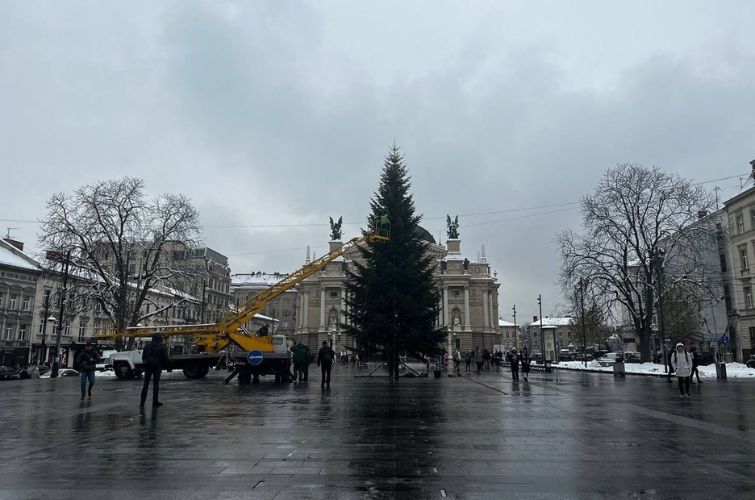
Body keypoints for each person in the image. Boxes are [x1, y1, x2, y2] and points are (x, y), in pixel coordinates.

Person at [140, 332, 168, 409]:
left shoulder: (147, 345)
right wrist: (164, 365)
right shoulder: (162, 346)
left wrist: (146, 363)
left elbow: (143, 357)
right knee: (156, 384)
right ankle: (155, 401)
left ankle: (142, 402)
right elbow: (165, 358)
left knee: (145, 385)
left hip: (148, 367)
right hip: (157, 367)